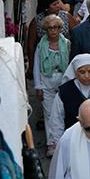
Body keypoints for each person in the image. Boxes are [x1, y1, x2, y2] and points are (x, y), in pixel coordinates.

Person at [34, 14, 71, 158]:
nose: (53, 31)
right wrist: (38, 86)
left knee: (62, 112)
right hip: (47, 82)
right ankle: (52, 143)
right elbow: (37, 66)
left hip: (63, 81)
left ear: (61, 29)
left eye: (56, 27)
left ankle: (63, 141)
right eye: (50, 28)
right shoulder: (41, 46)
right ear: (45, 30)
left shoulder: (66, 43)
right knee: (49, 114)